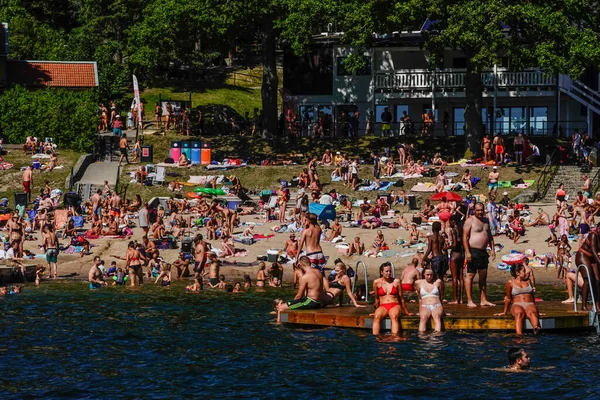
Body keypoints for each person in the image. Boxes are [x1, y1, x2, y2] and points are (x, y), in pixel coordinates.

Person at [463, 202, 496, 308]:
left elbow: (489, 236)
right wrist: (467, 252)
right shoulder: (470, 221)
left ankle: (483, 299)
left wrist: (493, 249)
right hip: (473, 251)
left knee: (483, 276)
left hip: (483, 252)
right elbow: (465, 237)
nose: (480, 212)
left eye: (481, 210)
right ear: (474, 211)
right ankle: (469, 300)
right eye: (478, 210)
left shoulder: (486, 221)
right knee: (470, 275)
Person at [494, 263, 541, 335]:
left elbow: (532, 295)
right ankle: (519, 335)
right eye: (523, 271)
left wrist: (536, 309)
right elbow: (508, 298)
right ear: (517, 273)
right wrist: (505, 311)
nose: (526, 273)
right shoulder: (510, 283)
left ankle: (536, 328)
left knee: (532, 312)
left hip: (529, 303)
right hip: (517, 304)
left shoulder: (528, 281)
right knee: (519, 313)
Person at [276, 256, 324, 321]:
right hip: (319, 302)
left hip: (310, 302)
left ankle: (281, 324)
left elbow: (299, 296)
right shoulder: (318, 272)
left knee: (281, 308)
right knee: (288, 305)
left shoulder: (304, 277)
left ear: (301, 264)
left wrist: (292, 303)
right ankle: (285, 320)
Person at [372, 262, 413, 335]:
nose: (389, 273)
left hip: (395, 305)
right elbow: (377, 299)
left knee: (394, 316)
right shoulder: (376, 282)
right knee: (377, 316)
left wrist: (407, 312)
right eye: (386, 271)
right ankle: (376, 337)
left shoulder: (396, 281)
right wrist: (376, 310)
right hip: (383, 306)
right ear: (381, 272)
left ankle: (394, 337)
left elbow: (401, 298)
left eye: (390, 271)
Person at [415, 267, 444, 332]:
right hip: (425, 305)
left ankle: (437, 338)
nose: (429, 277)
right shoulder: (418, 283)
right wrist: (420, 310)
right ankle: (422, 338)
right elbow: (420, 298)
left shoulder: (438, 282)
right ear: (424, 275)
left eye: (431, 275)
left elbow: (441, 297)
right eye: (427, 275)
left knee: (437, 317)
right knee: (423, 318)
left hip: (437, 305)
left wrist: (443, 310)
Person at [423, 221, 448, 287]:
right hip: (442, 258)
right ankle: (442, 295)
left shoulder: (431, 237)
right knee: (441, 277)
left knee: (435, 277)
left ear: (432, 228)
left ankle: (436, 294)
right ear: (439, 228)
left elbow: (429, 249)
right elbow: (445, 248)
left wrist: (424, 258)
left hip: (435, 258)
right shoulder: (442, 238)